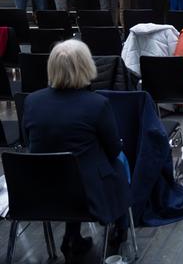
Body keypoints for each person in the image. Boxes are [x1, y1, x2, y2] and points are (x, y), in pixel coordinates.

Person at [23, 39, 130, 261]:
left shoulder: (32, 101)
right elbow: (113, 150)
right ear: (86, 66)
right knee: (119, 163)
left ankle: (72, 235)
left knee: (68, 167)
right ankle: (121, 228)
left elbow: (31, 144)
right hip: (88, 195)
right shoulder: (97, 104)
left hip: (40, 193)